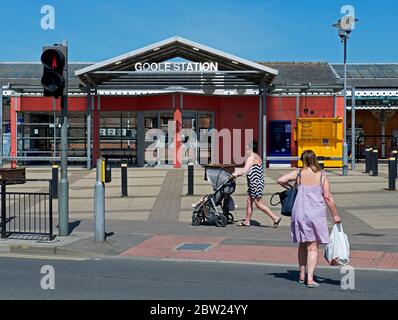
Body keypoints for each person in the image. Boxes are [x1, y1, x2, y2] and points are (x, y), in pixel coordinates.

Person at [277, 150, 341, 288]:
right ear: (315, 160)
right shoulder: (322, 176)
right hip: (315, 214)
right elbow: (328, 197)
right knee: (312, 247)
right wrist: (335, 214)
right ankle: (310, 279)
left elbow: (280, 180)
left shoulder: (298, 174)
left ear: (302, 160)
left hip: (299, 213)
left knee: (302, 243)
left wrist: (293, 188)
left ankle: (301, 274)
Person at [232, 142, 282, 228]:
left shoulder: (251, 158)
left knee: (258, 204)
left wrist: (236, 173)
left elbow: (245, 170)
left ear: (250, 149)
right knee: (249, 202)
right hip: (255, 182)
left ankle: (275, 218)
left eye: (247, 148)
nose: (246, 150)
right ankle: (247, 221)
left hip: (255, 183)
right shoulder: (257, 156)